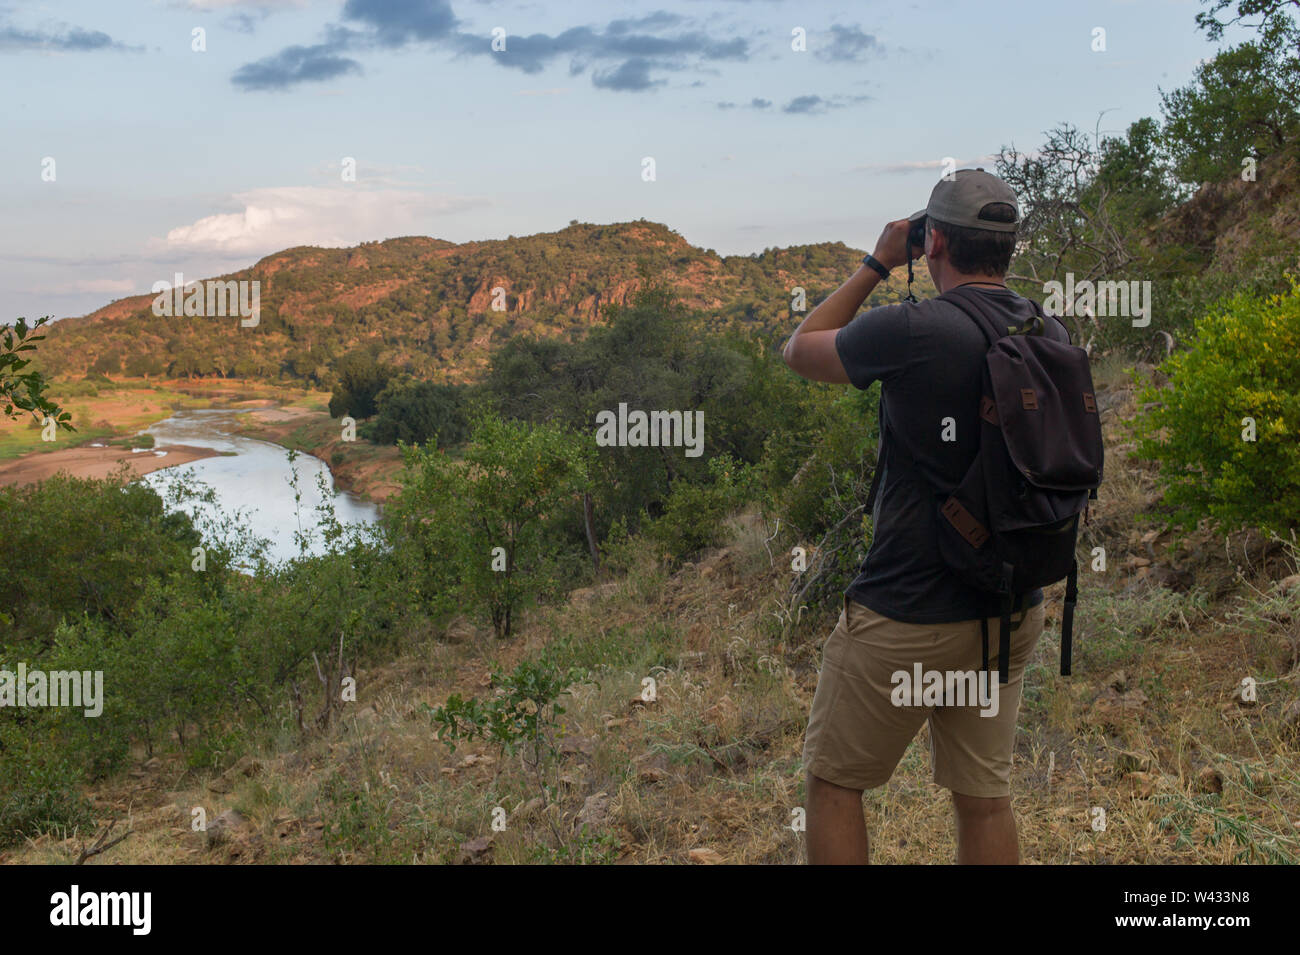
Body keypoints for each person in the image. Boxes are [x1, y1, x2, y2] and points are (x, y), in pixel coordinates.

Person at [781, 169, 1069, 865]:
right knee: (985, 798)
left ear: (932, 239)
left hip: (907, 612)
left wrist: (878, 262)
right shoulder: (1045, 326)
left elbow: (800, 347)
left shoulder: (911, 329)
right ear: (1008, 247)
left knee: (834, 783)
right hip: (1008, 609)